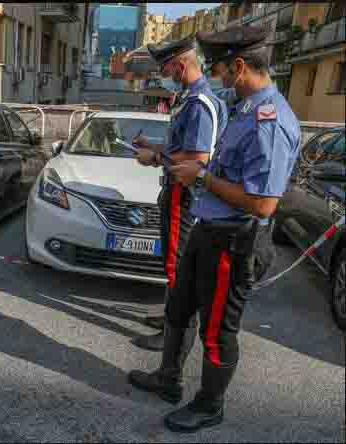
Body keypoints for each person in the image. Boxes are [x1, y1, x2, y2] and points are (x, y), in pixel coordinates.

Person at [129, 25, 301, 433]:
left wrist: (202, 178)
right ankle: (168, 378)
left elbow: (263, 202)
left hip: (234, 240)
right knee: (180, 305)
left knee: (217, 329)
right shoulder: (244, 109)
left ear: (240, 66)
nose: (218, 77)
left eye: (222, 69)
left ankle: (209, 404)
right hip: (209, 227)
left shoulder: (270, 122)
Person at [129, 35, 228, 356]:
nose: (164, 74)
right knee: (173, 264)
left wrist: (154, 159)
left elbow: (198, 160)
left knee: (177, 266)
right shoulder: (188, 98)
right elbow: (181, 149)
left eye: (167, 67)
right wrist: (154, 147)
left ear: (182, 64)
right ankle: (171, 316)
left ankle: (173, 336)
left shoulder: (200, 104)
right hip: (177, 194)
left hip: (184, 198)